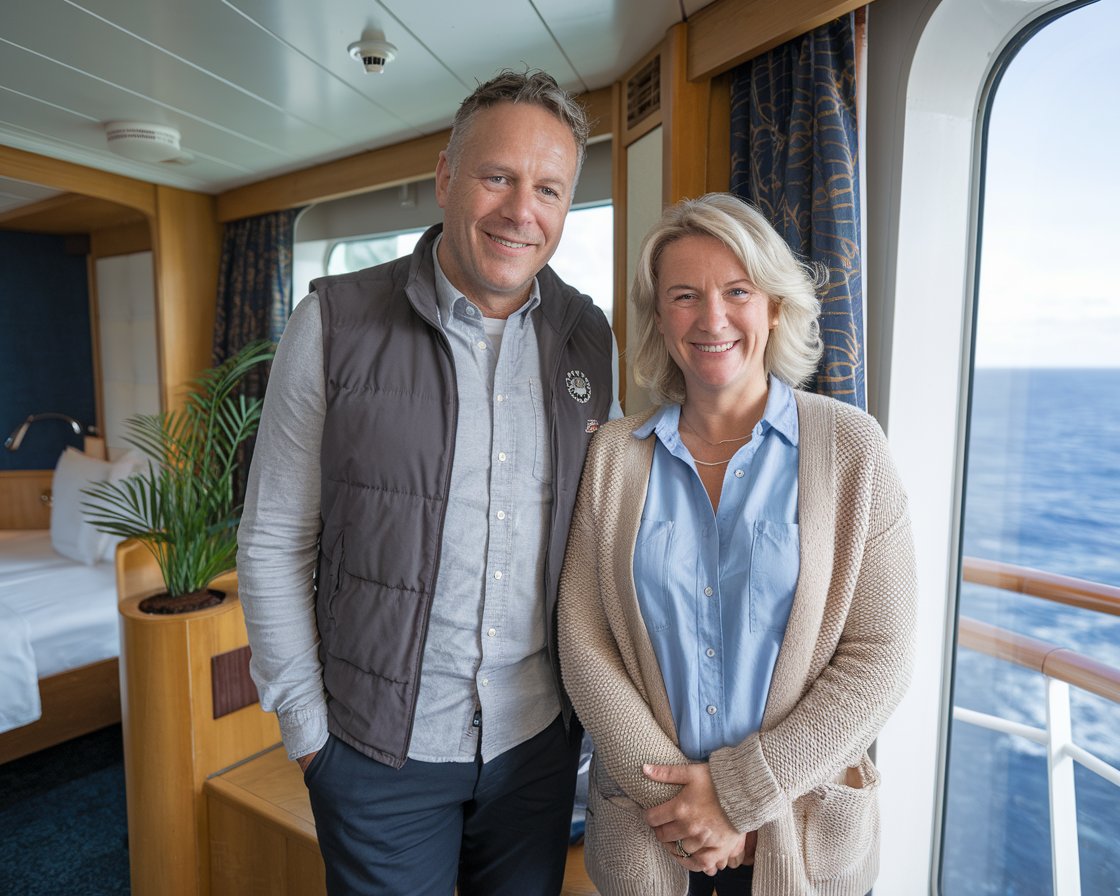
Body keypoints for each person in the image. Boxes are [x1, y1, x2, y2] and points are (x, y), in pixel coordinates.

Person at [237, 69, 619, 896]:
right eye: (497, 177)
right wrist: (308, 733)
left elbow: (595, 542)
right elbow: (272, 539)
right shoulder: (332, 322)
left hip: (536, 750)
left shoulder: (588, 337)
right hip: (377, 755)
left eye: (548, 188)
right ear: (447, 178)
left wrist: (583, 727)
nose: (522, 211)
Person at [558, 193, 917, 896]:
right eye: (684, 295)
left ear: (775, 307)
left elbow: (884, 655)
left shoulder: (852, 448)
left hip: (804, 842)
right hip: (650, 839)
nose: (712, 318)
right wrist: (682, 808)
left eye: (737, 292)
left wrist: (738, 796)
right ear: (661, 319)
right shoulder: (614, 458)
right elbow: (582, 638)